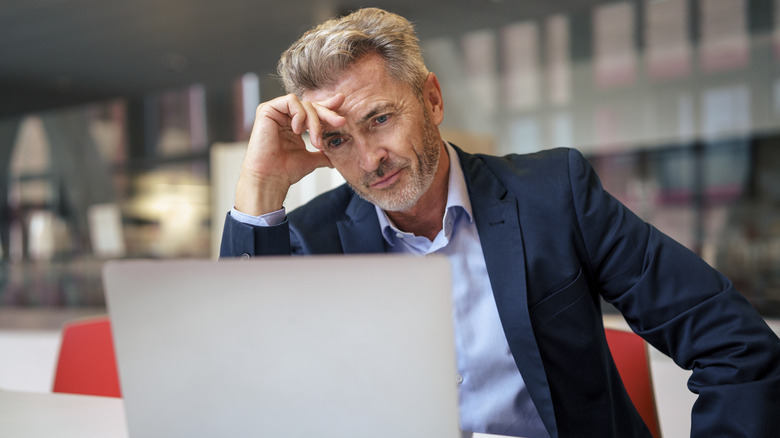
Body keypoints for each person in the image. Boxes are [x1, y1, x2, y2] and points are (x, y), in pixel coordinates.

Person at [220, 7, 780, 438]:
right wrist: (261, 188)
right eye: (339, 140)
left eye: (381, 119)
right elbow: (243, 392)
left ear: (432, 99)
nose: (369, 160)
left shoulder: (552, 194)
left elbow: (733, 345)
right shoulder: (310, 239)